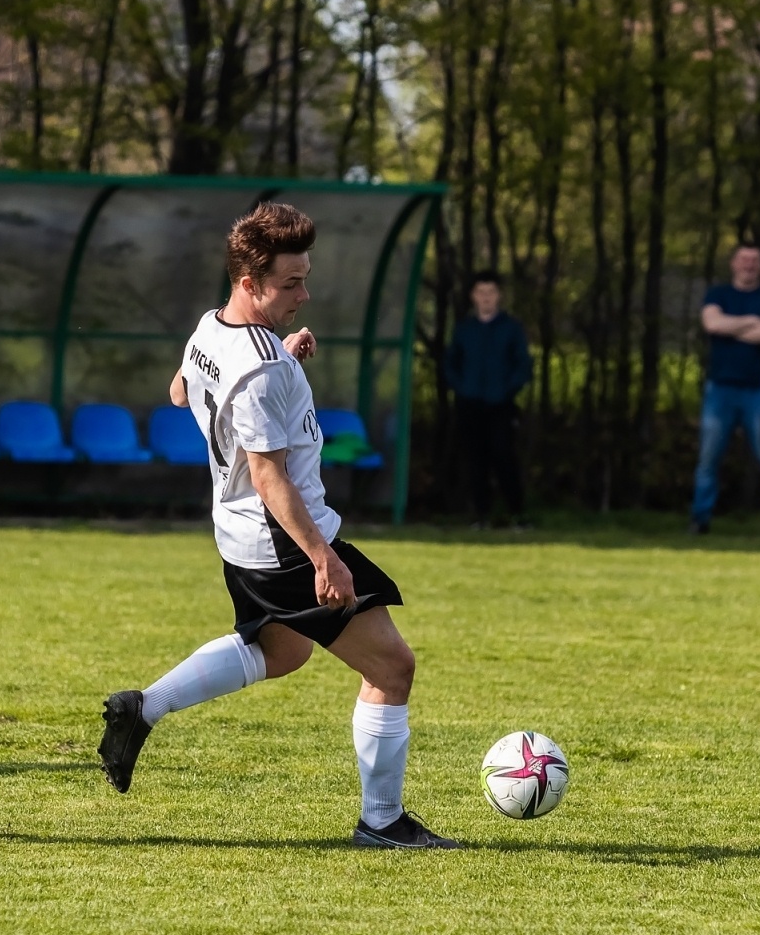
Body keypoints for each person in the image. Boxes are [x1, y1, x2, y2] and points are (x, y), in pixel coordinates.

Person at [97, 202, 458, 850]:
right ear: (249, 283)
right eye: (290, 283)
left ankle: (142, 707)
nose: (304, 293)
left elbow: (183, 391)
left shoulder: (211, 329)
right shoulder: (261, 369)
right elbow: (269, 476)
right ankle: (382, 821)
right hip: (284, 538)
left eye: (304, 278)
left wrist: (283, 361)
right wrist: (325, 558)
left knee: (281, 651)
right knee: (392, 666)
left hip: (238, 536)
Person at [690, 244, 760, 537]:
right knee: (709, 457)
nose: (749, 265)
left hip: (757, 392)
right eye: (744, 260)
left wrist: (730, 326)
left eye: (755, 261)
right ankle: (700, 518)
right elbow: (712, 324)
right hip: (719, 390)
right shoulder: (717, 294)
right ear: (734, 263)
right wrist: (750, 322)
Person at [443, 271, 532, 528]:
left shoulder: (511, 329)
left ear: (499, 296)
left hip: (501, 405)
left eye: (490, 293)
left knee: (505, 458)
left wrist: (506, 391)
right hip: (470, 404)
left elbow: (522, 364)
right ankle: (480, 515)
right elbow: (451, 364)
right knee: (475, 460)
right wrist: (462, 388)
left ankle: (517, 514)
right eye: (481, 293)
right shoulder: (465, 330)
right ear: (473, 296)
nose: (486, 298)